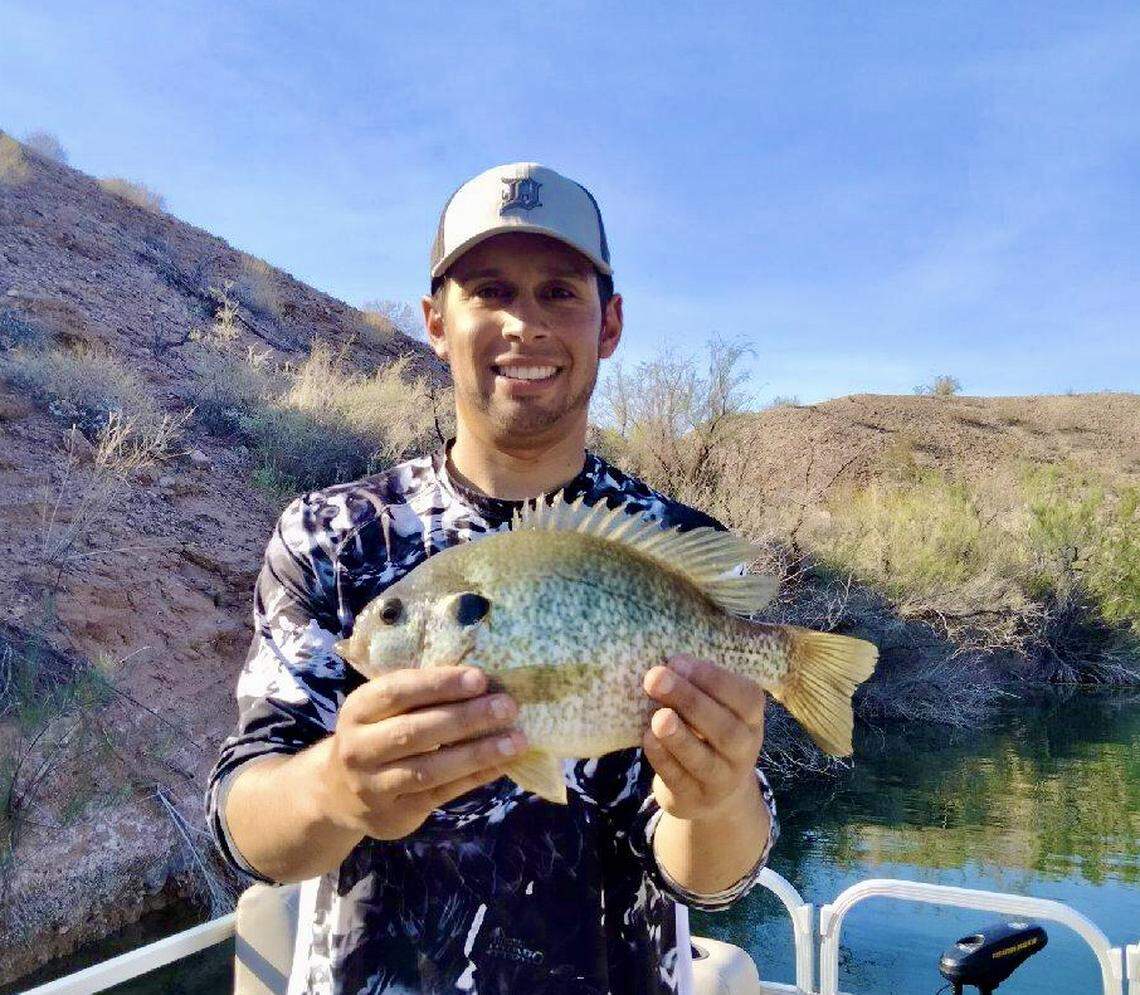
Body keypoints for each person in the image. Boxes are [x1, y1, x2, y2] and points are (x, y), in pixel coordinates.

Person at [205, 162, 779, 995]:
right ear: (437, 322)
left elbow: (714, 879)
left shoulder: (678, 547)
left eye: (559, 292)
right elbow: (245, 827)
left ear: (610, 323)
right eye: (490, 290)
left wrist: (714, 798)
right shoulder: (329, 538)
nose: (525, 323)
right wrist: (337, 788)